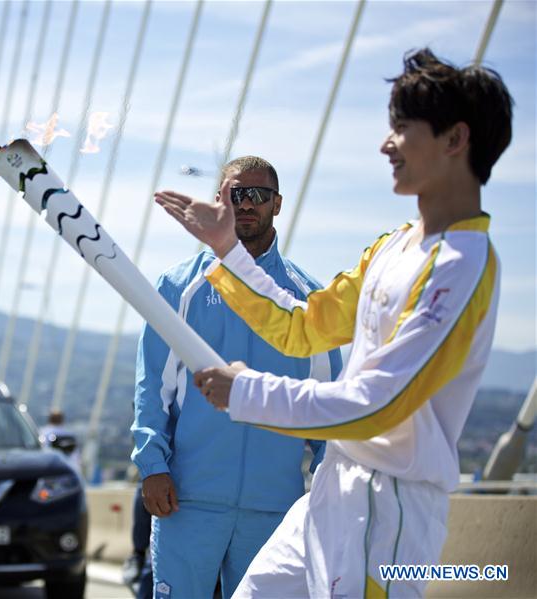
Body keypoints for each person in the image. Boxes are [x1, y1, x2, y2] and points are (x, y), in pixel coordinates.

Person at [155, 48, 513, 598]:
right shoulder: (393, 247)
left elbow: (378, 404)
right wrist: (227, 249)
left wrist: (247, 392)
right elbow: (303, 326)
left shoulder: (462, 266)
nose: (385, 144)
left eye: (402, 129)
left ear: (454, 139)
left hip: (389, 513)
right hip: (328, 496)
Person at [133, 156, 343, 599]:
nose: (246, 204)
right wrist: (152, 466)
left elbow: (328, 409)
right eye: (235, 194)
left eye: (258, 195)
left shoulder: (307, 299)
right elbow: (153, 387)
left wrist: (326, 501)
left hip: (276, 510)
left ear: (278, 204)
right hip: (187, 502)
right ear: (218, 202)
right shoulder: (179, 287)